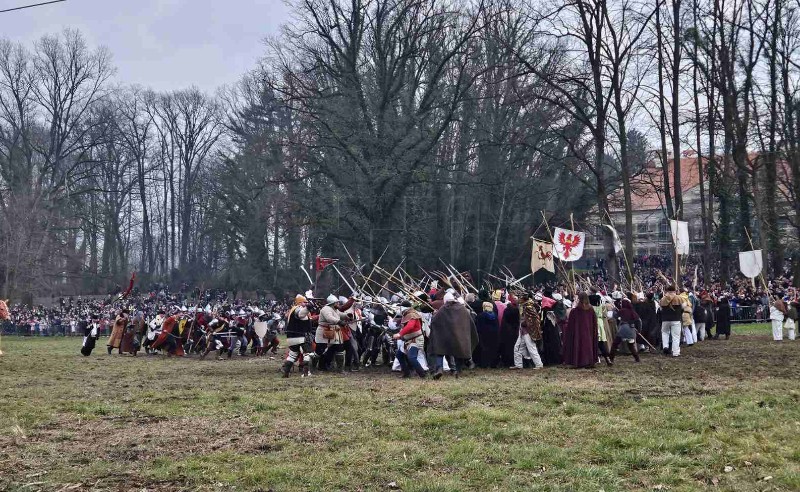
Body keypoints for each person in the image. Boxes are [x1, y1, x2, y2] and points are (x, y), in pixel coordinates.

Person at [428, 292, 479, 379]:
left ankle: (439, 369)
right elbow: (469, 321)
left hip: (444, 337)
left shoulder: (443, 309)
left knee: (440, 352)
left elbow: (434, 320)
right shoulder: (462, 308)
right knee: (457, 353)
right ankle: (457, 371)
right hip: (458, 336)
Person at [562, 293, 599, 368]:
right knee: (587, 345)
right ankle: (588, 361)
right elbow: (594, 322)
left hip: (579, 333)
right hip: (588, 332)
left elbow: (570, 324)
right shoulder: (590, 309)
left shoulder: (575, 311)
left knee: (579, 344)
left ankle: (579, 361)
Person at [281, 295, 315, 378]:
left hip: (292, 337)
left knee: (292, 355)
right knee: (308, 354)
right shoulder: (297, 308)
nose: (306, 303)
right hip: (302, 336)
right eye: (305, 302)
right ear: (299, 302)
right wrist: (308, 308)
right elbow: (300, 314)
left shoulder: (293, 309)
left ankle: (286, 372)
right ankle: (306, 373)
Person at [510, 295, 543, 370]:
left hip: (528, 331)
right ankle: (518, 364)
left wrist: (526, 323)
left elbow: (535, 319)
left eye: (520, 298)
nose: (519, 300)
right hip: (522, 330)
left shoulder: (529, 307)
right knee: (517, 347)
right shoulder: (524, 306)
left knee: (531, 347)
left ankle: (539, 364)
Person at [393, 305, 427, 378]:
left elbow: (410, 326)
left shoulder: (412, 315)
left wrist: (400, 334)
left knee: (411, 357)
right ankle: (406, 373)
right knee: (399, 355)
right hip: (408, 339)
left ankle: (422, 374)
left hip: (416, 339)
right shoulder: (408, 315)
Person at [611, 298, 641, 363]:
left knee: (614, 344)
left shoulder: (622, 311)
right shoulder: (632, 311)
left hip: (623, 329)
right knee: (631, 345)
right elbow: (639, 321)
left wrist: (614, 310)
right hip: (631, 329)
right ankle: (637, 359)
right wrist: (639, 330)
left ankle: (611, 359)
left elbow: (615, 316)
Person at [473, 301, 500, 368]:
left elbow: (478, 326)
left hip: (484, 335)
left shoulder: (481, 315)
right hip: (494, 335)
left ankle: (484, 364)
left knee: (484, 349)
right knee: (493, 349)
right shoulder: (495, 316)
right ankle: (493, 363)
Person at [659, 285, 683, 357]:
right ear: (674, 290)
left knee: (665, 333)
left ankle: (665, 347)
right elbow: (683, 308)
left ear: (667, 291)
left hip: (665, 319)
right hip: (676, 319)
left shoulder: (663, 299)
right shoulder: (679, 298)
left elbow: (660, 309)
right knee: (675, 336)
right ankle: (675, 352)